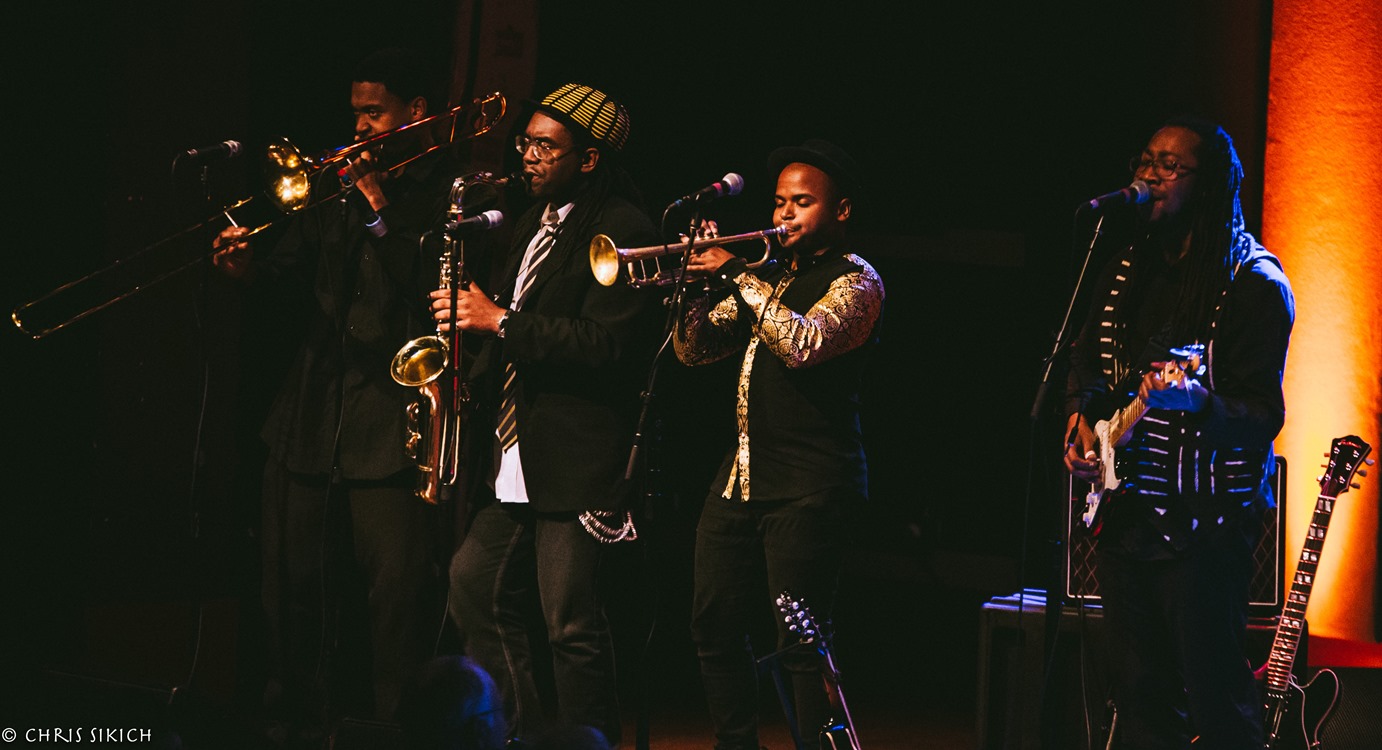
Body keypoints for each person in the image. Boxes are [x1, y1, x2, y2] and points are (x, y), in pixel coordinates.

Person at [212, 48, 458, 742]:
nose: (359, 126)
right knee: (289, 589)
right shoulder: (332, 188)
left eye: (374, 112)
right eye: (355, 112)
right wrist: (248, 268)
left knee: (394, 603)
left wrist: (378, 207)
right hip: (311, 418)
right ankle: (292, 726)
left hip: (394, 429)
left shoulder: (449, 192)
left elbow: (428, 290)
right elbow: (290, 276)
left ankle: (394, 732)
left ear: (416, 112)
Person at [429, 82, 659, 746]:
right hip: (518, 450)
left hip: (578, 461)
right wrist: (464, 359)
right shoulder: (534, 221)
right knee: (473, 585)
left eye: (545, 146)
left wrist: (498, 319)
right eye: (525, 142)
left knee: (570, 625)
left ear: (588, 159)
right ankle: (524, 735)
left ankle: (589, 742)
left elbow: (605, 343)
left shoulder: (623, 227)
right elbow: (511, 325)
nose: (527, 156)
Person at [1063, 116, 1294, 749]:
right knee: (1139, 696)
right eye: (1146, 161)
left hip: (1204, 528)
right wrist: (1081, 416)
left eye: (1171, 166)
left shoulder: (1253, 284)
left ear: (1210, 185)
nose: (1151, 175)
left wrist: (1201, 402)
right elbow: (1086, 358)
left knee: (1217, 700)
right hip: (1126, 516)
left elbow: (1263, 415)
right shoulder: (1126, 267)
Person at [673, 139, 884, 750]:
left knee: (800, 640)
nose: (784, 214)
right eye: (778, 202)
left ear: (841, 210)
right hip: (741, 477)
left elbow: (802, 344)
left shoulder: (857, 279)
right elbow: (693, 351)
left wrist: (734, 273)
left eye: (801, 202)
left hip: (811, 485)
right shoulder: (766, 277)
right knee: (712, 625)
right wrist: (692, 284)